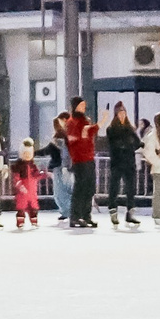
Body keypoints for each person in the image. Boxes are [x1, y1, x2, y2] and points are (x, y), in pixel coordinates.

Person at [59, 97, 99, 227]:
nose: (83, 108)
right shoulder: (72, 122)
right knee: (80, 188)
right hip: (79, 160)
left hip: (89, 157)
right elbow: (71, 139)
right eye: (81, 105)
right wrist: (81, 135)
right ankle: (75, 216)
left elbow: (91, 133)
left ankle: (86, 215)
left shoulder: (85, 120)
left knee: (89, 188)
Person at [101, 102, 139, 229]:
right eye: (119, 113)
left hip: (129, 162)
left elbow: (138, 143)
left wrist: (131, 144)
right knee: (114, 187)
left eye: (124, 113)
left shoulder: (130, 128)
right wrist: (127, 144)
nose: (122, 115)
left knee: (130, 188)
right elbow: (114, 144)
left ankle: (130, 212)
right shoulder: (111, 129)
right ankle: (113, 210)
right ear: (116, 115)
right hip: (117, 162)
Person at [9, 140, 41, 227]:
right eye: (25, 153)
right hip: (22, 191)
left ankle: (34, 220)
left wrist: (43, 174)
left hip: (32, 191)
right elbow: (16, 177)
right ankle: (20, 221)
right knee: (21, 206)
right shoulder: (19, 165)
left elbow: (36, 175)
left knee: (33, 207)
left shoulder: (32, 165)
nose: (27, 156)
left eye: (29, 154)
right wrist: (19, 185)